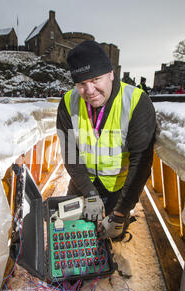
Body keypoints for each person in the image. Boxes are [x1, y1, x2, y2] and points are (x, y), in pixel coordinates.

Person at [56, 40, 156, 241]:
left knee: (111, 236)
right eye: (81, 83)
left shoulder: (137, 101)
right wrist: (90, 193)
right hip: (81, 182)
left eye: (95, 79)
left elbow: (141, 163)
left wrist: (120, 213)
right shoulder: (68, 102)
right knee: (70, 232)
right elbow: (70, 154)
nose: (89, 90)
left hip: (116, 187)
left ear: (111, 73)